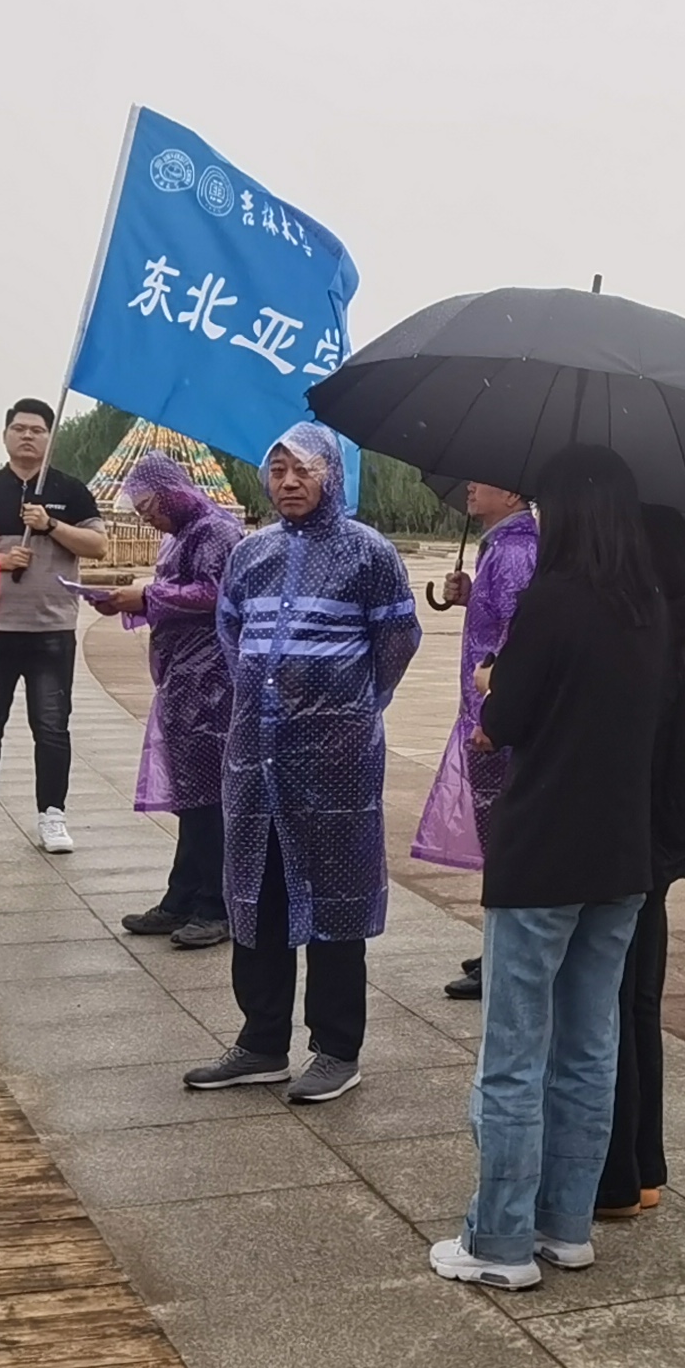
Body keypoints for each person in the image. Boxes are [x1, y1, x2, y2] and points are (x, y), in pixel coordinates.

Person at [433, 448, 670, 1287]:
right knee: (588, 1046)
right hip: (622, 854)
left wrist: (492, 681)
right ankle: (567, 1226)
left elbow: (502, 722)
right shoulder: (648, 605)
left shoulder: (553, 601)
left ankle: (499, 1241)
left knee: (514, 1052)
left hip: (542, 853)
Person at [182, 425, 421, 1105]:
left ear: (331, 476)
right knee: (258, 892)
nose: (288, 482)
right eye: (278, 469)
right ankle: (261, 1042)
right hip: (255, 756)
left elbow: (396, 641)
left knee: (334, 897)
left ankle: (336, 1049)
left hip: (337, 760)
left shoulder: (368, 552)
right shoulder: (250, 553)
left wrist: (350, 706)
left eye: (303, 470)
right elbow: (231, 633)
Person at [600, 503, 685, 1219]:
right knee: (641, 999)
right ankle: (646, 1167)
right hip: (665, 840)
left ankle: (617, 1173)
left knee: (611, 1002)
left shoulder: (637, 633)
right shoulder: (679, 626)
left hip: (628, 836)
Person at [76, 450, 242, 949]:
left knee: (209, 796)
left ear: (173, 494)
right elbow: (178, 591)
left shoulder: (216, 531)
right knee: (192, 796)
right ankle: (182, 897)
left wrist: (147, 597)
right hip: (183, 677)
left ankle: (216, 905)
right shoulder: (180, 536)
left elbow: (215, 593)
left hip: (212, 680)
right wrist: (131, 599)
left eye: (150, 507)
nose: (147, 517)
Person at [0, 397, 102, 857]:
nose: (27, 436)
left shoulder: (71, 491)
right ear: (5, 435)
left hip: (51, 629)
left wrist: (51, 524)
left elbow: (97, 545)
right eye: (19, 429)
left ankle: (52, 815)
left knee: (51, 727)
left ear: (50, 438)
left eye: (37, 430)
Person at [414, 480, 537, 1002]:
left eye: (481, 479)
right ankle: (498, 948)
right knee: (499, 840)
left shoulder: (514, 552)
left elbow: (515, 640)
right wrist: (471, 597)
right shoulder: (502, 547)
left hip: (493, 723)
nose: (469, 485)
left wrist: (491, 716)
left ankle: (505, 958)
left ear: (511, 494)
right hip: (486, 714)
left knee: (503, 842)